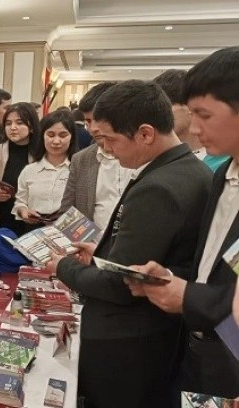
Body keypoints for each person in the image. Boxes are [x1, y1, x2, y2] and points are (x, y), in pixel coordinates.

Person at [46, 80, 212, 408]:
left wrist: (61, 266)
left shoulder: (159, 187)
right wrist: (103, 253)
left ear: (145, 134)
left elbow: (119, 283)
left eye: (111, 140)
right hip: (156, 335)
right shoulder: (191, 170)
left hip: (128, 342)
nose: (107, 150)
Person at [126, 47, 239, 399]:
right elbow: (215, 265)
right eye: (192, 114)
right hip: (201, 349)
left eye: (205, 115)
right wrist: (173, 279)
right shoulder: (222, 175)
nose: (195, 128)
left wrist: (189, 296)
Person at [58, 82, 132, 231]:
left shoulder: (142, 155)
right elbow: (67, 212)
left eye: (98, 120)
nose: (93, 128)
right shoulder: (81, 159)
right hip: (92, 242)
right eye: (88, 121)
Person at [154, 69, 230, 172]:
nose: (158, 116)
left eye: (165, 108)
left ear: (190, 107)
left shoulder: (224, 162)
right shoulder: (158, 160)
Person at [0, 102, 41, 235]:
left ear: (32, 126)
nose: (13, 128)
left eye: (20, 123)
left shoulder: (42, 153)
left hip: (35, 221)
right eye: (8, 123)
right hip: (3, 219)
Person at [13, 110, 78, 229]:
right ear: (42, 136)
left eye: (63, 135)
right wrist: (24, 212)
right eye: (51, 135)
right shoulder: (29, 170)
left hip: (69, 230)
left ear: (72, 137)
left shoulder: (78, 169)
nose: (56, 141)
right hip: (34, 229)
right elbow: (20, 202)